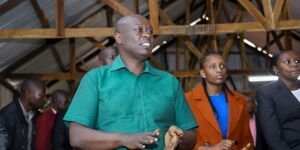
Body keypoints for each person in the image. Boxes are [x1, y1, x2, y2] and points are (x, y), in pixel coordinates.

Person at [64, 14, 197, 150]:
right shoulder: (95, 79)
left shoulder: (169, 82)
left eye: (150, 31)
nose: (147, 35)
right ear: (119, 38)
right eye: (139, 30)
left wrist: (179, 137)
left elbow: (191, 135)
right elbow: (77, 137)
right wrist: (124, 139)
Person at [185, 52, 253, 150]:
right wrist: (210, 149)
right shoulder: (188, 100)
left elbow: (246, 137)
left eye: (222, 66)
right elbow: (183, 140)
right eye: (212, 67)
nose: (219, 70)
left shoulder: (240, 99)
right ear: (203, 73)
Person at [255, 50, 300, 150]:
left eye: (297, 61)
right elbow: (272, 136)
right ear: (275, 68)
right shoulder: (266, 93)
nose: (294, 64)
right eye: (287, 62)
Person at [0, 78, 47, 150]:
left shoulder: (35, 115)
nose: (45, 99)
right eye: (42, 94)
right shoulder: (7, 116)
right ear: (29, 93)